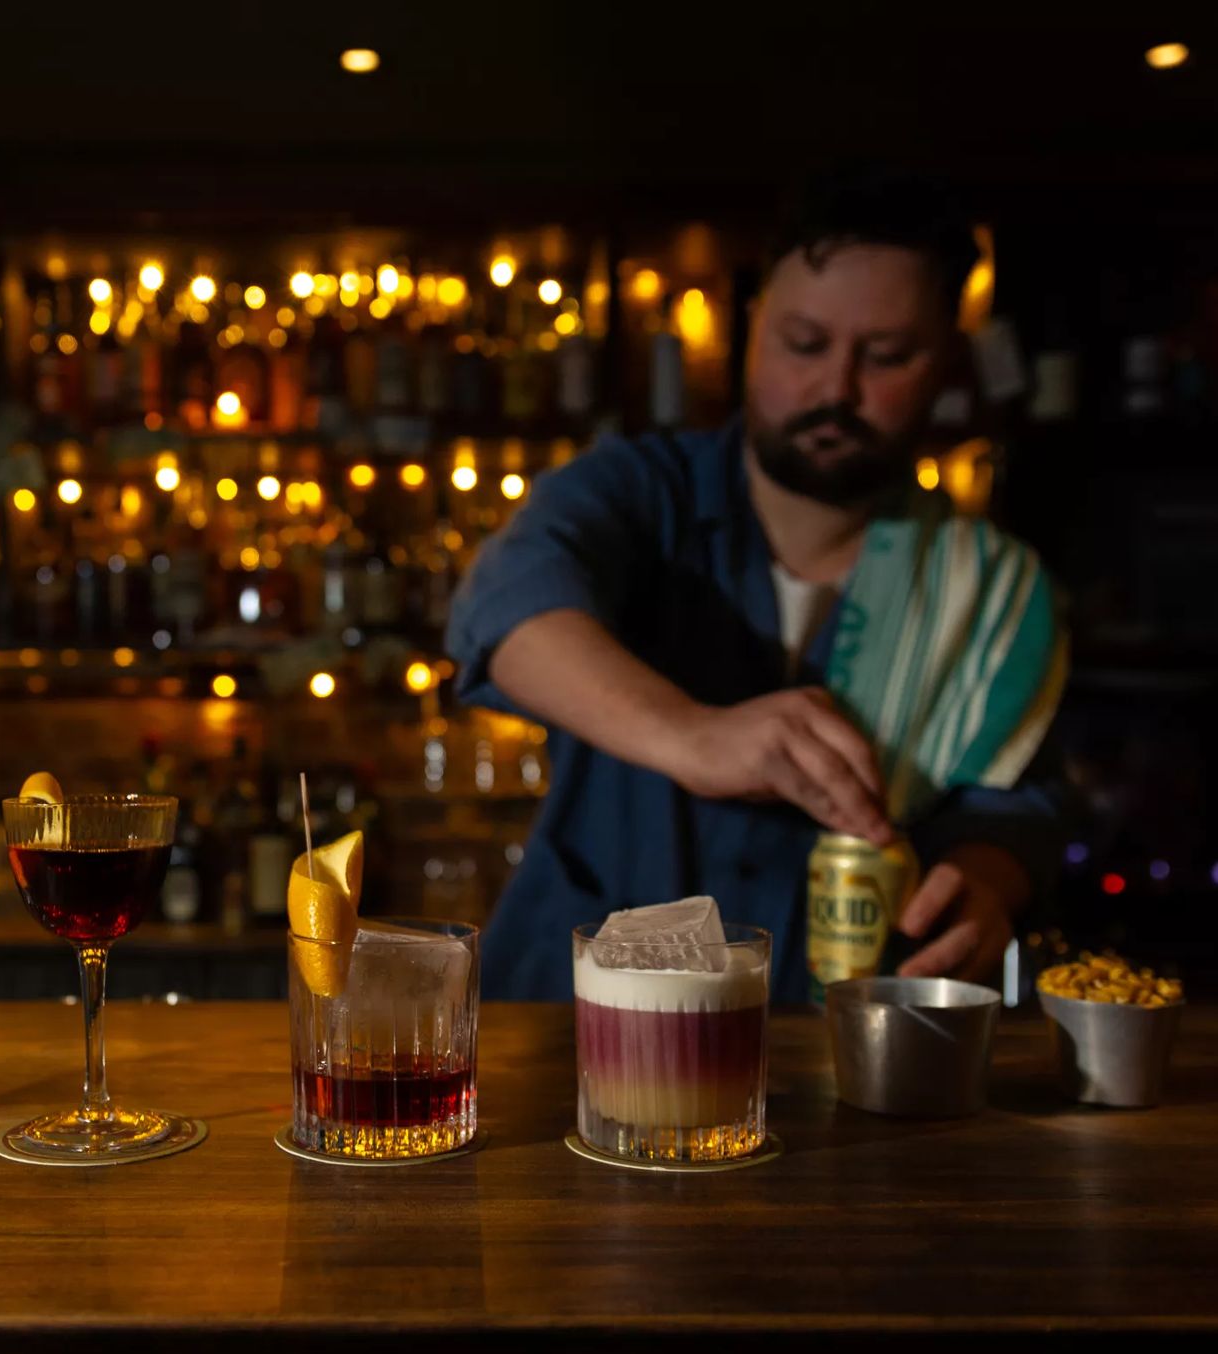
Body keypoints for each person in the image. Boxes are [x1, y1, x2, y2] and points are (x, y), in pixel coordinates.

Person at [447, 166, 1067, 1003]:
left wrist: (983, 885)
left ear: (946, 367)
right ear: (754, 328)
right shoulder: (635, 491)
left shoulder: (988, 587)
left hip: (841, 1045)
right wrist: (693, 735)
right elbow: (504, 606)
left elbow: (1011, 803)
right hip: (578, 1029)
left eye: (885, 357)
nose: (835, 390)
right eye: (804, 344)